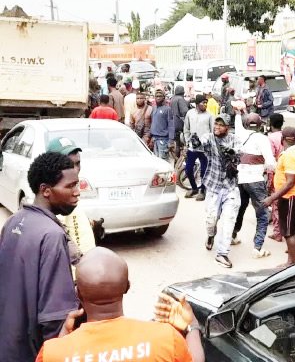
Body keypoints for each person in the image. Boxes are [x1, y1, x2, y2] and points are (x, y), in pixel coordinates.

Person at [36, 247, 204, 362]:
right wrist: (192, 326)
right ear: (127, 287)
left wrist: (64, 336)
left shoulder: (52, 353)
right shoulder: (166, 338)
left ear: (78, 293)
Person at [0, 153, 80, 361]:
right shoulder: (52, 236)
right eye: (70, 186)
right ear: (46, 190)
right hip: (31, 352)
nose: (77, 192)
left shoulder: (14, 221)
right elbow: (56, 317)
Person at [194, 114, 241, 268]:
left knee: (228, 220)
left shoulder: (233, 138)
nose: (217, 127)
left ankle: (222, 253)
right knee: (211, 219)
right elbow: (201, 144)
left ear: (227, 127)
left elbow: (240, 152)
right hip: (213, 186)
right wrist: (195, 143)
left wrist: (232, 152)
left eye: (221, 125)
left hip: (230, 186)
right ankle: (210, 235)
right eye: (216, 124)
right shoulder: (209, 137)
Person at [231, 112, 277, 258]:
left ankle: (233, 235)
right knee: (262, 214)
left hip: (241, 180)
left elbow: (238, 124)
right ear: (259, 125)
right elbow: (270, 162)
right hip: (256, 180)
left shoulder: (240, 134)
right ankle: (257, 248)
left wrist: (238, 112)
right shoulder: (262, 139)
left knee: (241, 208)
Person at [46, 138, 96, 266]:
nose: (75, 169)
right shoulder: (53, 198)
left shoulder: (72, 190)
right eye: (68, 164)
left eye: (77, 163)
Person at [264, 127, 295, 265]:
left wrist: (272, 197)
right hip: (294, 196)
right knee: (291, 230)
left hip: (290, 197)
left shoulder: (289, 156)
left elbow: (290, 182)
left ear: (283, 139)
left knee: (289, 233)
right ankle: (291, 261)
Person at [183, 95, 213, 200]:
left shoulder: (209, 116)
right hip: (192, 146)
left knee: (204, 170)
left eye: (206, 103)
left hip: (204, 148)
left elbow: (213, 132)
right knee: (188, 169)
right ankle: (194, 188)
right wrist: (187, 141)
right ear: (197, 103)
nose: (205, 105)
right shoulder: (190, 113)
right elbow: (186, 128)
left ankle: (203, 191)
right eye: (203, 103)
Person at [266, 113, 285, 242]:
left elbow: (270, 160)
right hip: (288, 173)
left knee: (276, 204)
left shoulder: (270, 138)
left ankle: (278, 233)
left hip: (277, 174)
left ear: (270, 124)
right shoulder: (286, 135)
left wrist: (269, 179)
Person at [151, 90, 175, 161]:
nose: (158, 98)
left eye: (160, 96)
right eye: (156, 96)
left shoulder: (167, 109)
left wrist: (171, 141)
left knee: (163, 160)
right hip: (155, 139)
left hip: (163, 140)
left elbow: (171, 125)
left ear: (164, 98)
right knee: (156, 161)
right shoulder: (154, 108)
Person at [171, 85, 190, 159]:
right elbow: (185, 112)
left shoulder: (173, 98)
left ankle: (175, 159)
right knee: (180, 143)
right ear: (182, 92)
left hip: (172, 124)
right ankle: (179, 159)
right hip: (179, 124)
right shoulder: (180, 99)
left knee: (176, 142)